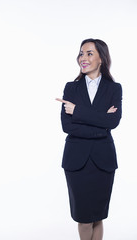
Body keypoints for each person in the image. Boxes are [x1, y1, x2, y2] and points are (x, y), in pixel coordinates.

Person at [56, 38, 122, 240]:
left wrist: (77, 111)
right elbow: (67, 126)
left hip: (103, 162)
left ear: (101, 58)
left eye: (89, 53)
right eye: (81, 53)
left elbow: (113, 122)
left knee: (98, 217)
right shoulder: (71, 88)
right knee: (84, 219)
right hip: (77, 162)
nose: (83, 58)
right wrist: (100, 122)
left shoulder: (114, 88)